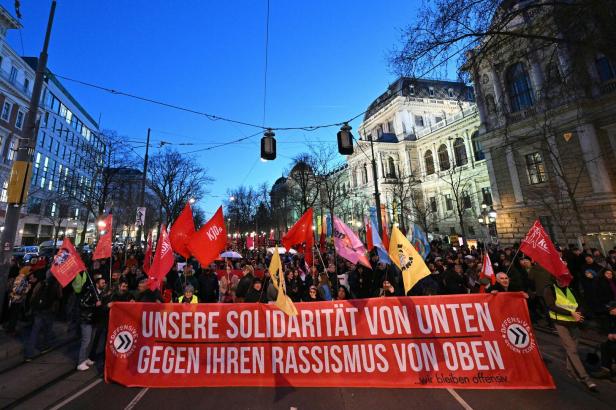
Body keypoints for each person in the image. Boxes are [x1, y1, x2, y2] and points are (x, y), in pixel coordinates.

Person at [544, 275, 598, 391]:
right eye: (560, 279)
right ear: (556, 279)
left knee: (573, 349)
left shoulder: (571, 289)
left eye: (565, 280)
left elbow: (580, 303)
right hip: (560, 323)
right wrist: (571, 313)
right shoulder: (550, 289)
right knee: (572, 349)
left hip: (574, 323)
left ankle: (571, 370)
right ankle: (585, 378)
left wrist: (579, 314)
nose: (563, 282)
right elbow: (551, 306)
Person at [24, 272, 62, 360]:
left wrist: (33, 307)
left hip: (38, 310)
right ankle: (46, 346)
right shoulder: (57, 284)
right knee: (48, 329)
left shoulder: (41, 283)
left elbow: (33, 295)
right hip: (49, 310)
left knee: (34, 331)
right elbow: (59, 296)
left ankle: (29, 354)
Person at [77, 275, 108, 371]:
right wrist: (94, 304)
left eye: (104, 283)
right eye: (102, 283)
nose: (104, 284)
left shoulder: (101, 292)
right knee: (86, 341)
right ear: (97, 283)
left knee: (91, 341)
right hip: (87, 320)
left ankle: (86, 358)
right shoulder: (91, 292)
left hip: (94, 320)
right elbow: (82, 303)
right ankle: (81, 362)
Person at [4, 265, 31, 335]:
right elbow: (16, 290)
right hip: (16, 300)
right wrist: (27, 289)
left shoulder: (21, 277)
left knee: (13, 314)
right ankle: (11, 330)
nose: (30, 273)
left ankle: (9, 328)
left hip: (14, 299)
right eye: (29, 271)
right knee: (14, 315)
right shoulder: (21, 278)